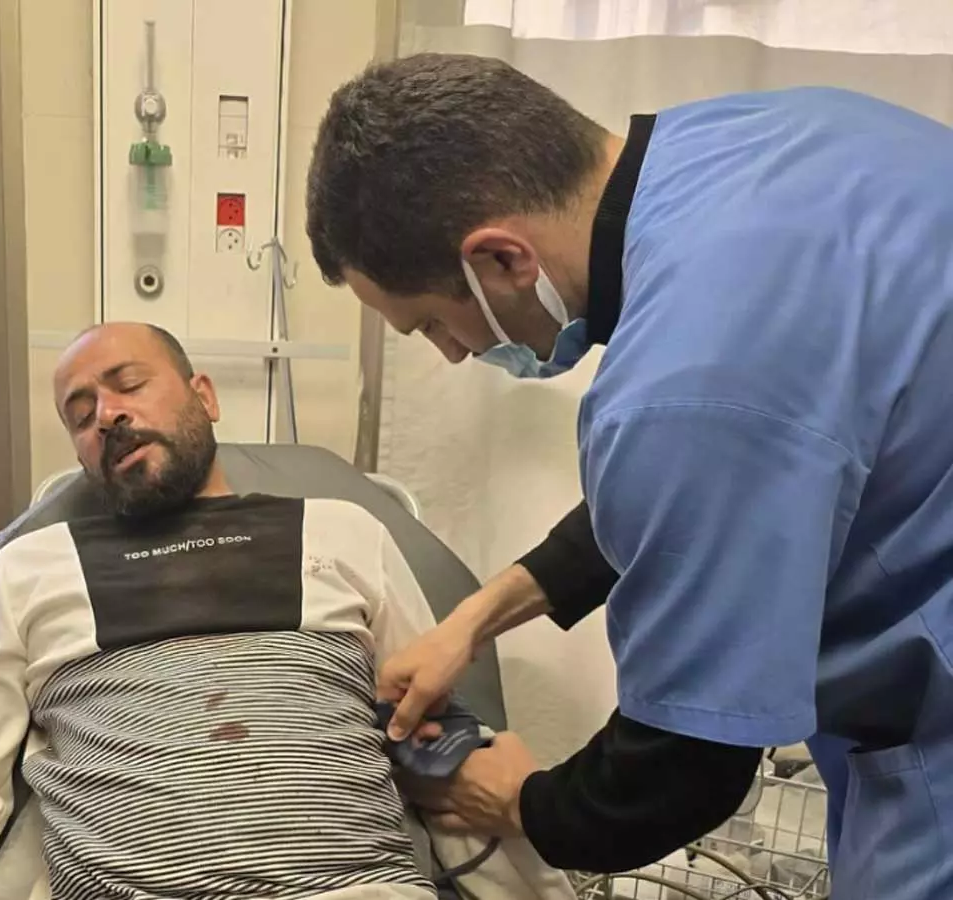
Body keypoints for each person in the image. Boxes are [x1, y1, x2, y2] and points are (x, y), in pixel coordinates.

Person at [306, 52, 953, 899]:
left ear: (501, 259)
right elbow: (718, 486)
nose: (454, 353)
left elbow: (681, 770)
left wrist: (521, 801)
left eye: (431, 322)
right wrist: (471, 620)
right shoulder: (777, 135)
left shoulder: (685, 382)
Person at [0, 321, 575, 900]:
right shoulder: (29, 570)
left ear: (204, 395)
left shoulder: (341, 531)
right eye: (81, 416)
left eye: (129, 385)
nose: (107, 416)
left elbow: (435, 734)